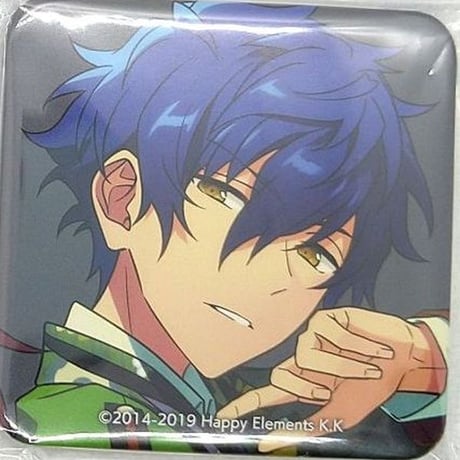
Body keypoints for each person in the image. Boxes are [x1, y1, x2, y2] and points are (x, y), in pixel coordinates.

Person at [14, 1, 447, 455]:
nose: (269, 278)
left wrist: (420, 360)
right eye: (226, 195)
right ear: (121, 199)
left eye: (316, 252)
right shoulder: (71, 411)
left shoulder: (261, 401)